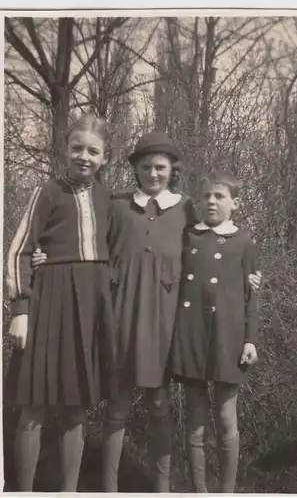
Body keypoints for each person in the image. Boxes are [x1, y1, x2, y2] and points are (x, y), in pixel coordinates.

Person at [31, 133, 262, 492]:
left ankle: (161, 489)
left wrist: (247, 278)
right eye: (146, 167)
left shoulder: (186, 208)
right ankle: (109, 490)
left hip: (169, 327)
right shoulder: (118, 204)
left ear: (172, 171)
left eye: (160, 168)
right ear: (135, 171)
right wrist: (48, 255)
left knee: (160, 407)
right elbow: (87, 241)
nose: (153, 174)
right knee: (116, 408)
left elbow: (211, 249)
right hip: (121, 319)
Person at [5, 113, 115, 492]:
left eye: (94, 151)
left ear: (106, 157)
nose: (84, 156)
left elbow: (121, 251)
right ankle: (23, 491)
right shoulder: (47, 191)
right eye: (77, 148)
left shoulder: (107, 198)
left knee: (75, 405)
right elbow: (20, 250)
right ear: (66, 150)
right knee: (34, 404)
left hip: (90, 307)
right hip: (48, 302)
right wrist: (21, 311)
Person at [170, 171, 260, 493]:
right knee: (194, 424)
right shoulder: (188, 236)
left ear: (235, 203)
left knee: (226, 419)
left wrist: (250, 339)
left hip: (227, 340)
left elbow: (252, 296)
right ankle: (199, 491)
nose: (211, 201)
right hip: (191, 337)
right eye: (206, 195)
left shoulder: (243, 242)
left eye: (219, 196)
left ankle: (227, 491)